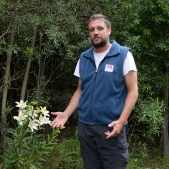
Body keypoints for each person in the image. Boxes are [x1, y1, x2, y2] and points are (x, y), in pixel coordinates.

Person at [50, 14, 138, 169]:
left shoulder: (123, 55)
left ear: (109, 30)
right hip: (86, 128)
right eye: (92, 30)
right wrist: (66, 113)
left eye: (100, 28)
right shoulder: (84, 57)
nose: (95, 32)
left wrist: (121, 121)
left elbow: (133, 92)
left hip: (111, 128)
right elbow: (80, 90)